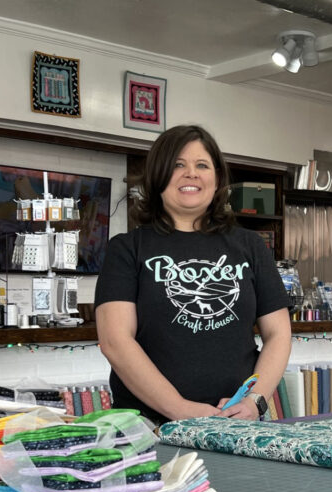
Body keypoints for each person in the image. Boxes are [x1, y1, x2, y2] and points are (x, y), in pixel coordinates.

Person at [95, 124, 291, 424]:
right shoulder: (127, 249)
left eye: (202, 165)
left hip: (236, 422)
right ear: (158, 175)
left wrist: (254, 401)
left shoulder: (250, 246)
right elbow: (115, 341)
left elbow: (278, 334)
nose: (191, 173)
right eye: (178, 165)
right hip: (150, 426)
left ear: (217, 179)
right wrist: (179, 409)